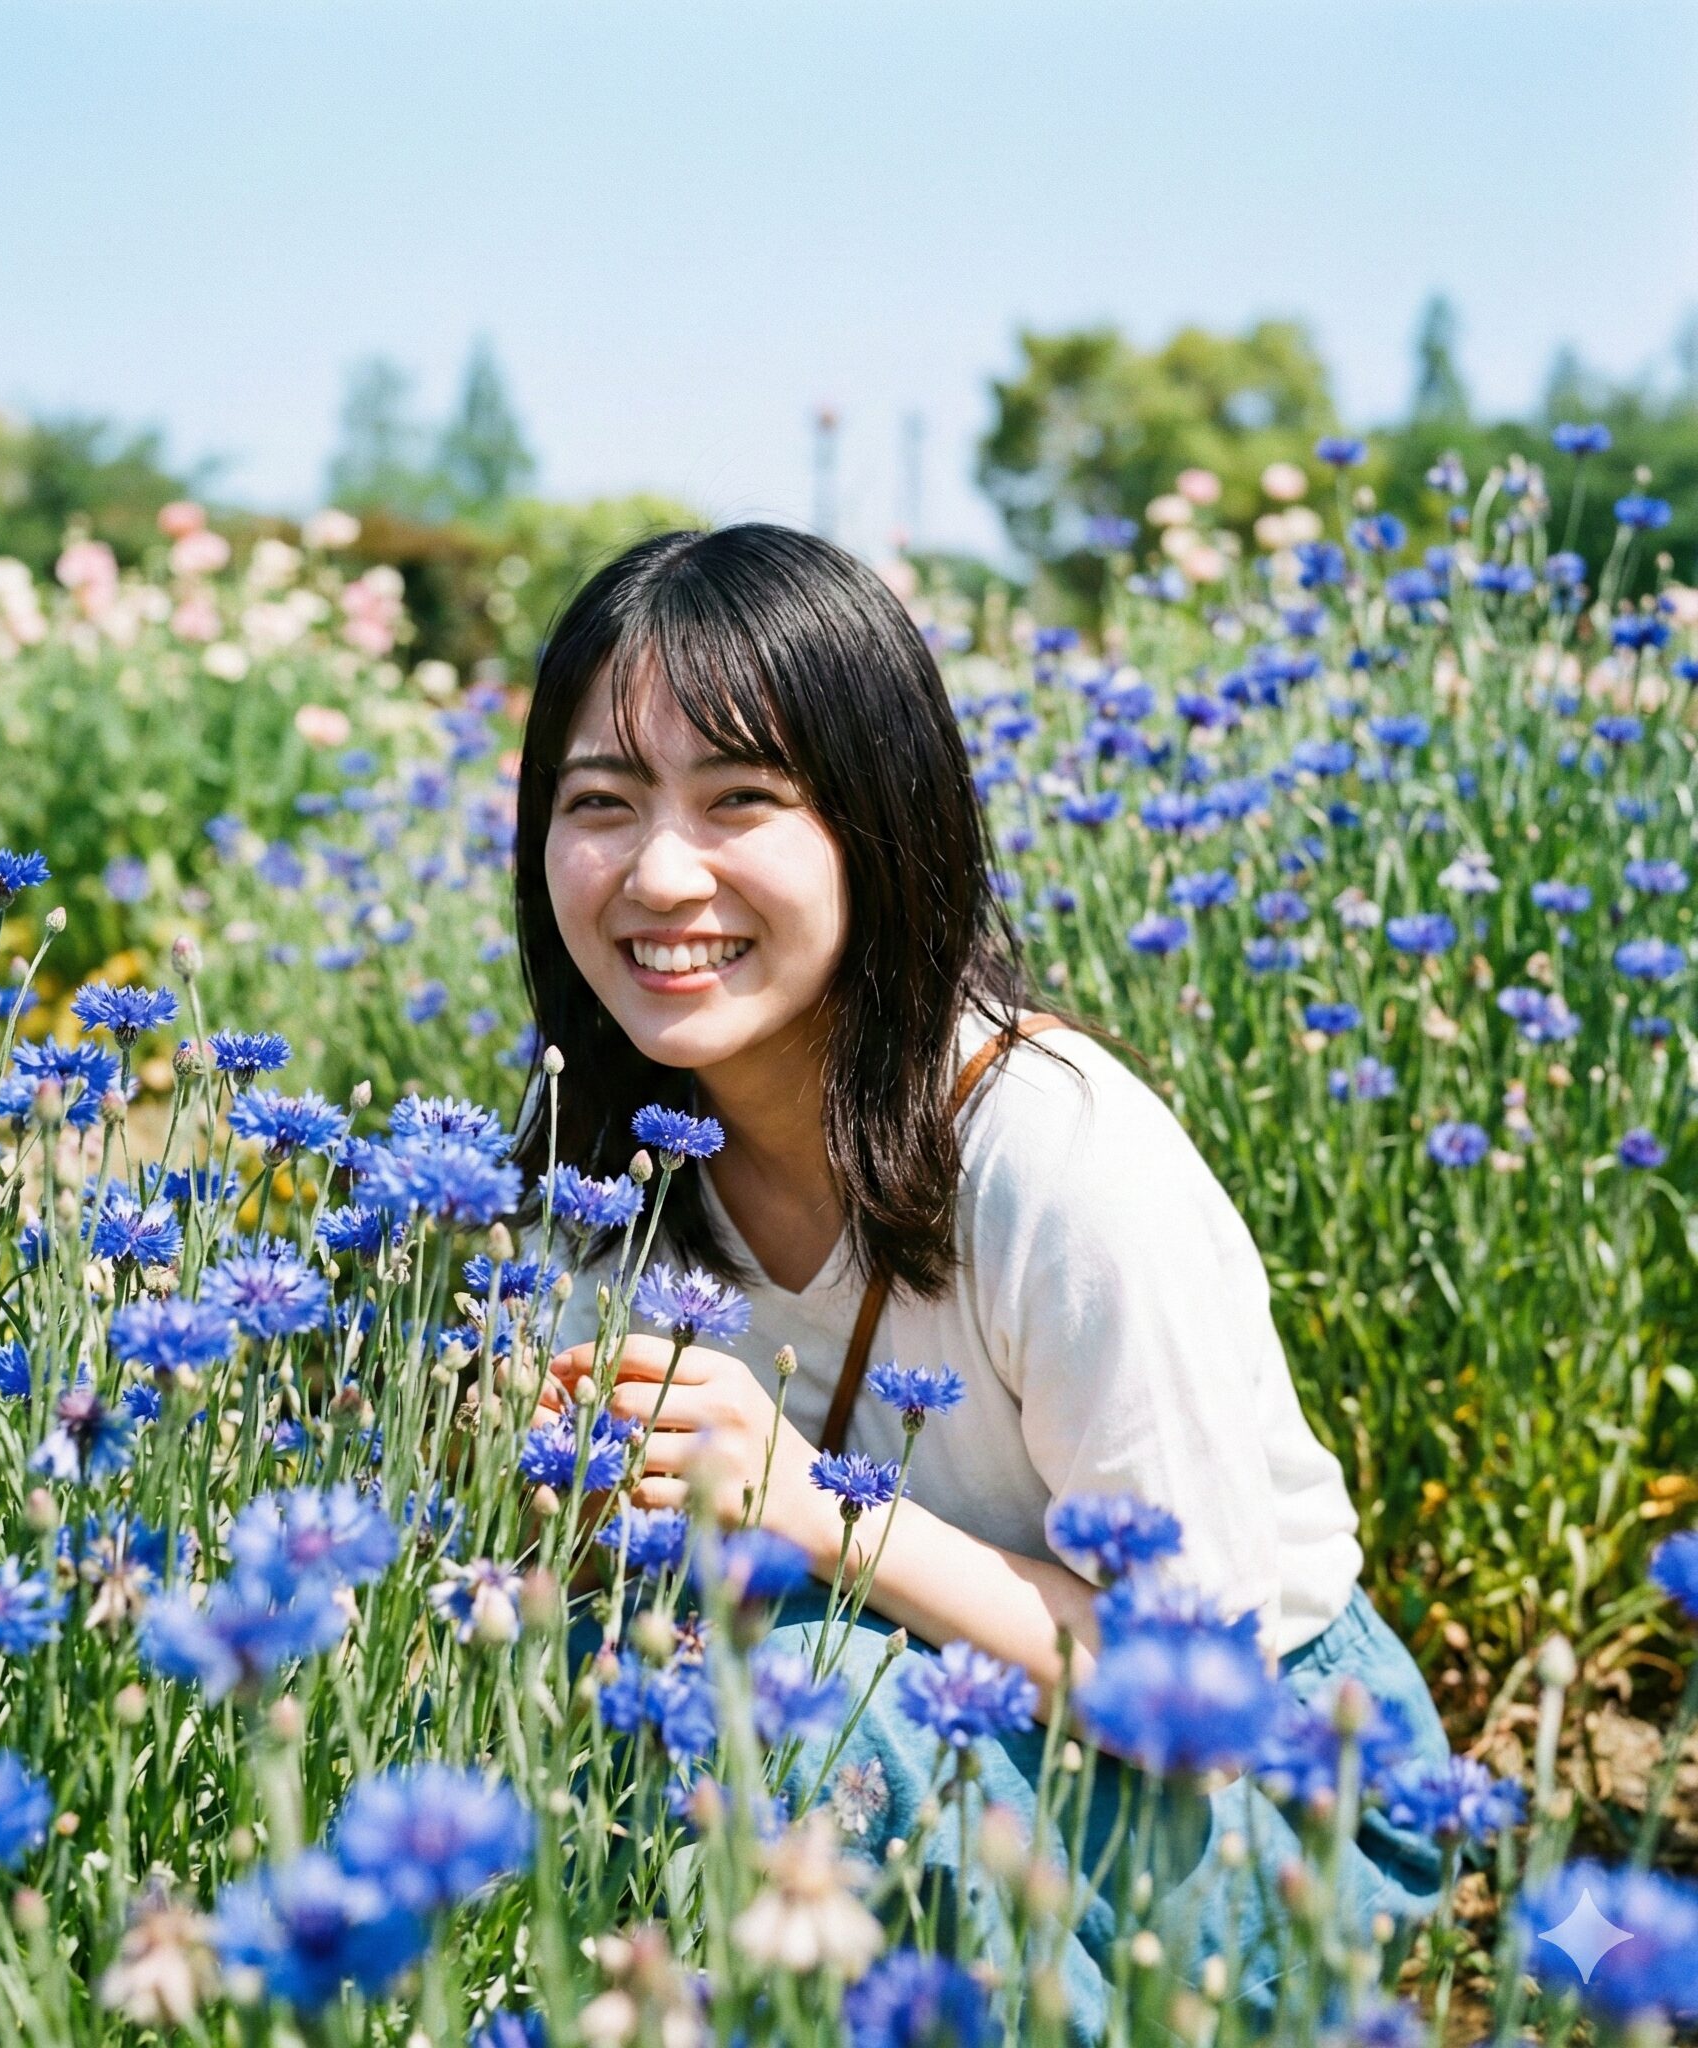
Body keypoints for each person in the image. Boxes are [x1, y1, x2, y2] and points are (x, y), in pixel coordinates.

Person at [511, 522, 1451, 2036]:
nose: (660, 872)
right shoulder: (602, 1152)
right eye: (600, 803)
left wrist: (810, 1505)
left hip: (1265, 1789)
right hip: (899, 1725)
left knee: (811, 1709)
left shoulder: (1058, 1156)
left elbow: (1200, 1694)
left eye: (741, 799)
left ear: (879, 822)